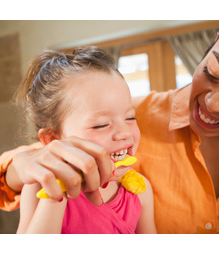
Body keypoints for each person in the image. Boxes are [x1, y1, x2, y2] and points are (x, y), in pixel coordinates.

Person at [0, 21, 219, 234]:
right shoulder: (129, 113)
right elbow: (44, 156)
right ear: (212, 43)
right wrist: (23, 165)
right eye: (212, 73)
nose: (215, 104)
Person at [9, 47, 156, 233]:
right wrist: (57, 191)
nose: (125, 133)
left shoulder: (140, 191)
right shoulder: (40, 186)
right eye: (101, 125)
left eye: (130, 118)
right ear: (53, 139)